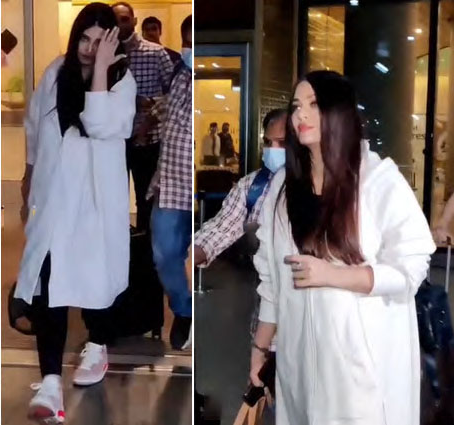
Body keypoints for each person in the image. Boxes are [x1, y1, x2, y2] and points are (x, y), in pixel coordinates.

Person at [250, 71, 435, 425]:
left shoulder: (378, 180)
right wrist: (261, 347)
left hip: (363, 376)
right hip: (299, 370)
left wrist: (333, 275)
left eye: (314, 104)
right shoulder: (283, 189)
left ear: (339, 113)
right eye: (296, 106)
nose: (301, 115)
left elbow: (411, 267)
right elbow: (271, 278)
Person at [16, 3, 135, 423]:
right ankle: (50, 383)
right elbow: (35, 128)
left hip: (95, 201)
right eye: (84, 39)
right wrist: (28, 177)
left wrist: (102, 69)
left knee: (93, 282)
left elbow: (102, 124)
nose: (88, 48)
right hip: (54, 199)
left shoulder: (122, 81)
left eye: (99, 42)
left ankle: (97, 345)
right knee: (48, 284)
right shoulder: (55, 72)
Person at [146, 15, 193, 350]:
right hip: (170, 181)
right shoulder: (179, 73)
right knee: (164, 254)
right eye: (187, 42)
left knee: (203, 253)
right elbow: (171, 116)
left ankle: (200, 314)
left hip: (198, 184)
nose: (190, 49)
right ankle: (183, 309)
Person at [194, 109, 287, 268]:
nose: (272, 149)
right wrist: (192, 254)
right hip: (265, 279)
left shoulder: (319, 185)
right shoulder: (251, 185)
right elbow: (222, 228)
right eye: (268, 142)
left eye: (282, 142)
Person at [112, 1, 173, 233]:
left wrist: (150, 108)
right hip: (113, 138)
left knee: (145, 199)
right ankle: (119, 246)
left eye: (125, 19)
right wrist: (132, 100)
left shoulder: (155, 53)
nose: (120, 24)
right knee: (113, 197)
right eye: (115, 20)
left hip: (146, 139)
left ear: (134, 21)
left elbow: (174, 95)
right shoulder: (105, 54)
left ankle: (145, 249)